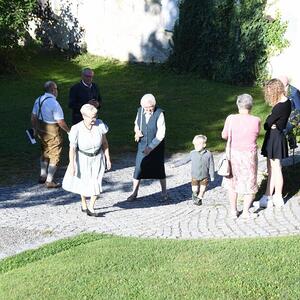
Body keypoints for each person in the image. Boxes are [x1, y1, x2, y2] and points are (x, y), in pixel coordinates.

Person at [62, 104, 111, 217]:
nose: (94, 119)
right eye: (91, 117)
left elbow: (105, 143)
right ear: (84, 116)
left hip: (98, 158)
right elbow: (72, 149)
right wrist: (73, 165)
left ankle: (91, 207)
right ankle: (84, 204)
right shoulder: (76, 129)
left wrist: (108, 158)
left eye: (95, 116)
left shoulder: (100, 125)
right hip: (83, 159)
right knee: (83, 183)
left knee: (96, 181)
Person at [221, 94, 260, 219]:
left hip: (234, 154)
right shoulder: (256, 120)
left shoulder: (231, 118)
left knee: (232, 182)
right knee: (249, 182)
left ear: (238, 104)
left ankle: (233, 211)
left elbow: (224, 135)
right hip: (249, 154)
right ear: (251, 105)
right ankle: (246, 212)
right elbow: (256, 134)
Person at [127, 94, 168, 202]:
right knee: (138, 168)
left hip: (156, 146)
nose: (149, 110)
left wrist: (150, 148)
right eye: (147, 108)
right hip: (142, 145)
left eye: (151, 108)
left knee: (159, 169)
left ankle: (164, 193)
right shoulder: (140, 111)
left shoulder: (159, 113)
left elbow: (161, 134)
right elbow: (136, 123)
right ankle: (134, 193)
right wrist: (137, 132)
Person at [259, 79, 292, 208]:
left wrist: (270, 119)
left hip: (275, 137)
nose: (268, 95)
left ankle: (277, 196)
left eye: (269, 91)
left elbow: (267, 124)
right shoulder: (287, 102)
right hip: (276, 136)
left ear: (274, 90)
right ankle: (267, 195)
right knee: (271, 168)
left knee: (276, 168)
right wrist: (271, 121)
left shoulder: (279, 106)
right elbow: (269, 124)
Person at [31, 81, 70, 188]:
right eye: (57, 89)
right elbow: (60, 121)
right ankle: (49, 180)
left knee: (45, 151)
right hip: (52, 131)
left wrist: (34, 129)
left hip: (41, 130)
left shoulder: (38, 100)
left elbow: (33, 117)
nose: (57, 91)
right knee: (55, 155)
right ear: (53, 90)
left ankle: (42, 175)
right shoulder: (54, 103)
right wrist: (68, 131)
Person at [172, 135, 215, 205]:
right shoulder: (192, 153)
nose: (196, 146)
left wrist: (212, 175)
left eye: (198, 144)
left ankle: (199, 198)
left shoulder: (208, 154)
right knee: (195, 189)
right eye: (195, 145)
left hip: (205, 176)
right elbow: (185, 160)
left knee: (203, 189)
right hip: (195, 176)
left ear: (204, 145)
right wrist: (175, 164)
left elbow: (211, 165)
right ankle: (195, 194)